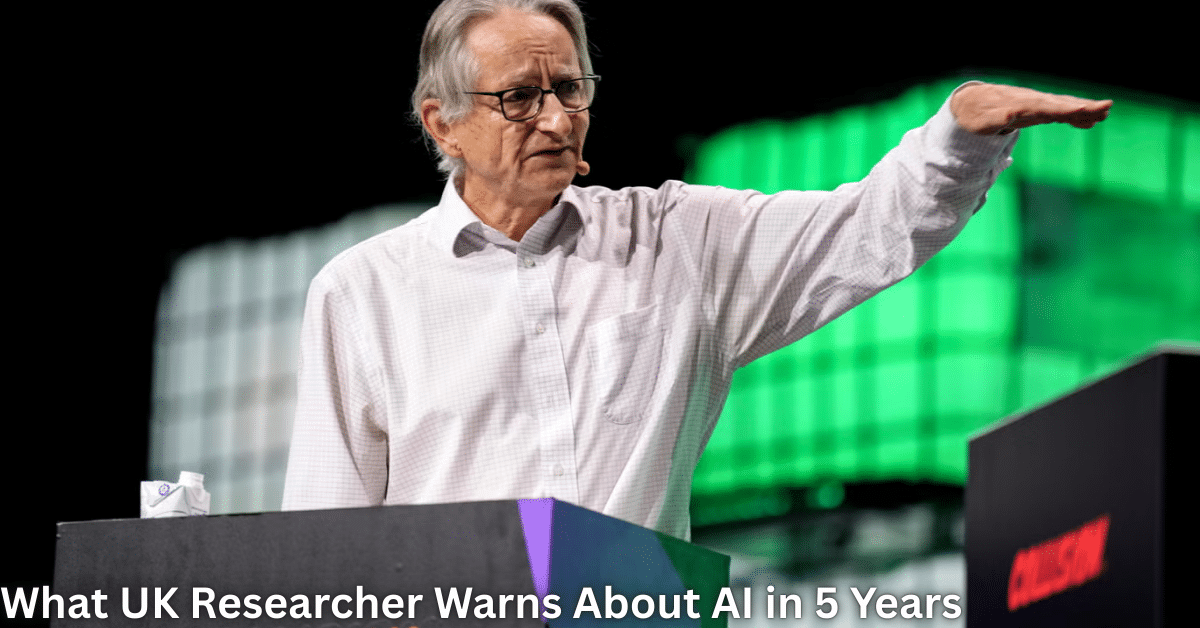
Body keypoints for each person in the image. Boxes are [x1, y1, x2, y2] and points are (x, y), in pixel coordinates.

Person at [281, 0, 1110, 540]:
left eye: (570, 88)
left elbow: (865, 230)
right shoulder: (363, 293)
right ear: (444, 123)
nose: (557, 117)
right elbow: (319, 544)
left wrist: (958, 136)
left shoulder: (679, 239)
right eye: (520, 98)